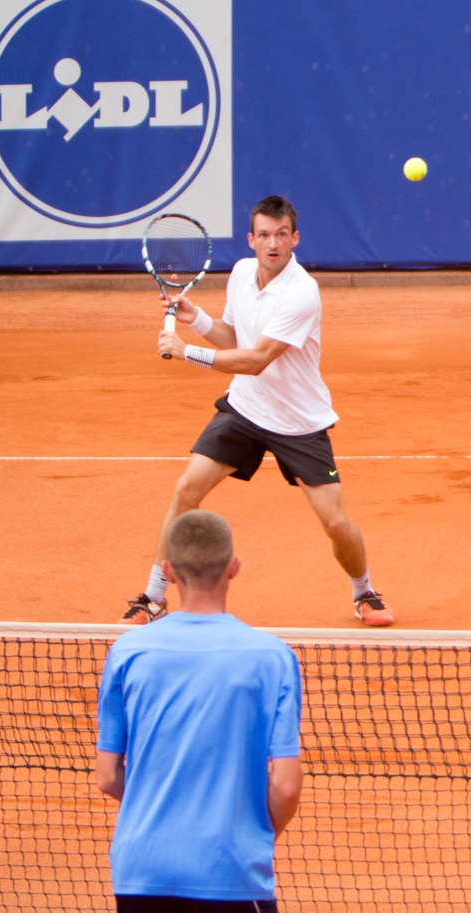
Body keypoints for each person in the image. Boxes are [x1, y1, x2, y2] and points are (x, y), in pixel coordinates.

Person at [123, 194, 393, 626]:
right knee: (185, 489)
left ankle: (364, 591)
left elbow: (257, 359)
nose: (272, 244)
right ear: (251, 240)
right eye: (264, 235)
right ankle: (153, 597)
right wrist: (196, 319)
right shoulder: (242, 274)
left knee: (336, 523)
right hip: (245, 408)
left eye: (281, 235)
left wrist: (185, 350)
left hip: (298, 422)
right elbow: (235, 341)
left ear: (294, 238)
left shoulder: (301, 292)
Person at [97, 509, 303, 913]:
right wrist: (249, 832)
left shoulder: (127, 652)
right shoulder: (271, 657)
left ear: (168, 571)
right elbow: (285, 786)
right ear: (233, 567)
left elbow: (109, 777)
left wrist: (159, 805)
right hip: (230, 867)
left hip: (144, 868)